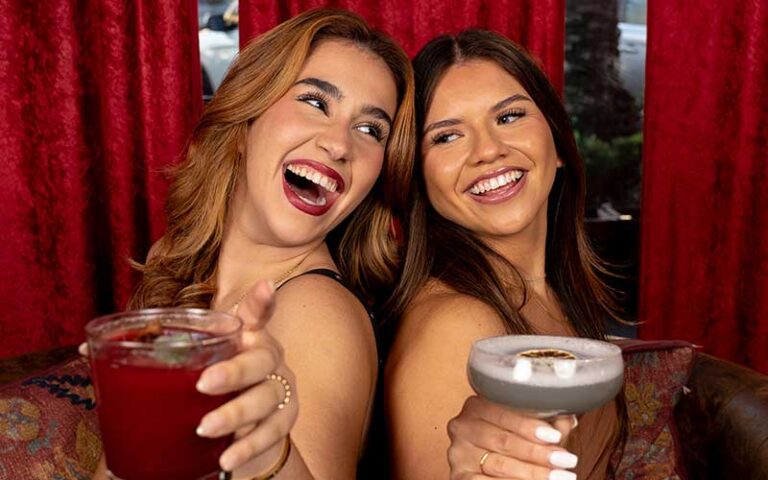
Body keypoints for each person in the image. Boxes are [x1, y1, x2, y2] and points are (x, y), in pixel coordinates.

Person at [94, 8, 415, 479]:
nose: (340, 144)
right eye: (316, 102)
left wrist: (271, 450)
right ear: (248, 116)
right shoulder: (174, 266)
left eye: (371, 130)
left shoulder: (318, 312)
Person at [383, 30, 623, 480]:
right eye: (447, 137)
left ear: (557, 145)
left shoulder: (552, 291)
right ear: (418, 177)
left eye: (510, 116)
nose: (488, 150)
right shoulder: (457, 328)